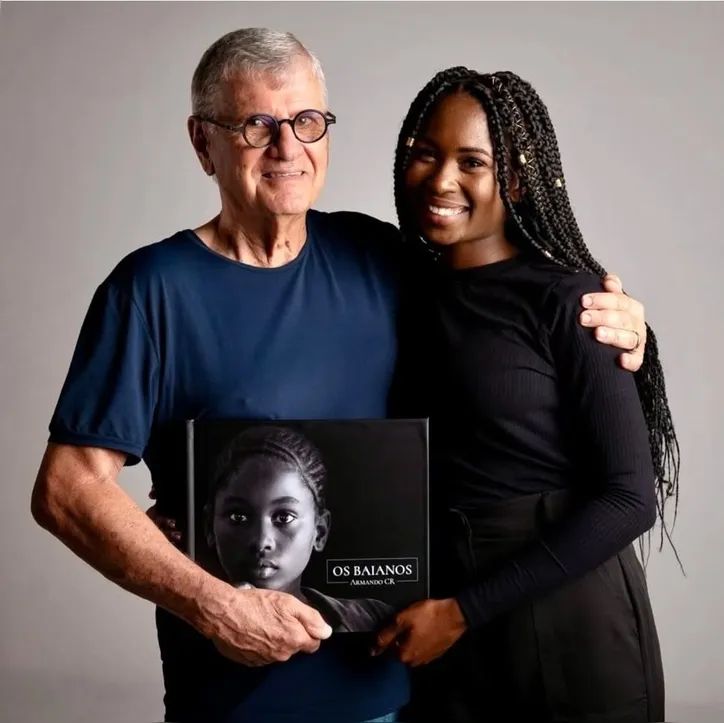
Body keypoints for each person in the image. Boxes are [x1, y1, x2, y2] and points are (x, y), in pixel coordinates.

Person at [29, 26, 650, 723]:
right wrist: (211, 601)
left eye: (307, 121)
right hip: (233, 699)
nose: (287, 147)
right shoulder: (152, 290)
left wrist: (619, 322)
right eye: (256, 124)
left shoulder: (381, 258)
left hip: (400, 691)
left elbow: (507, 324)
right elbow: (67, 489)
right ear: (204, 142)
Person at [373, 68, 679, 723]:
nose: (441, 178)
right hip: (444, 624)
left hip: (571, 621)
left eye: (471, 162)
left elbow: (629, 498)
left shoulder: (572, 298)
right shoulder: (400, 288)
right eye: (425, 153)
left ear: (513, 179)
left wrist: (463, 611)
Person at [203, 424, 395, 633]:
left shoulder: (373, 618)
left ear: (320, 531)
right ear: (209, 526)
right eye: (238, 517)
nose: (261, 541)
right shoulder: (185, 619)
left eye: (284, 517)